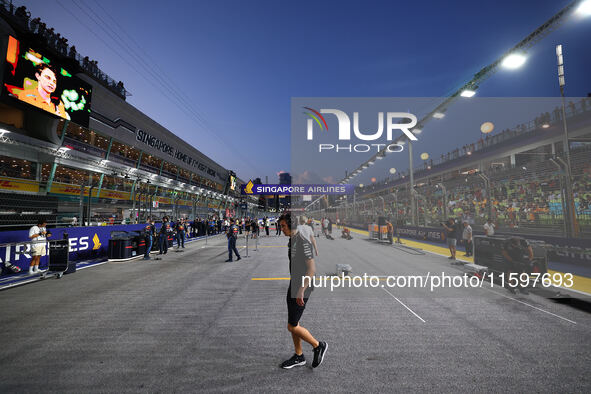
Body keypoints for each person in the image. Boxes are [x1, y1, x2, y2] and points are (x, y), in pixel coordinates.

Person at [278, 213, 327, 369]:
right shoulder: (292, 241)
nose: (281, 229)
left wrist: (301, 290)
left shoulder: (302, 242)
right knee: (294, 322)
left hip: (302, 287)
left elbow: (311, 269)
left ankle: (318, 345)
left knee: (292, 326)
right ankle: (299, 356)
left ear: (291, 225)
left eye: (283, 226)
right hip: (295, 284)